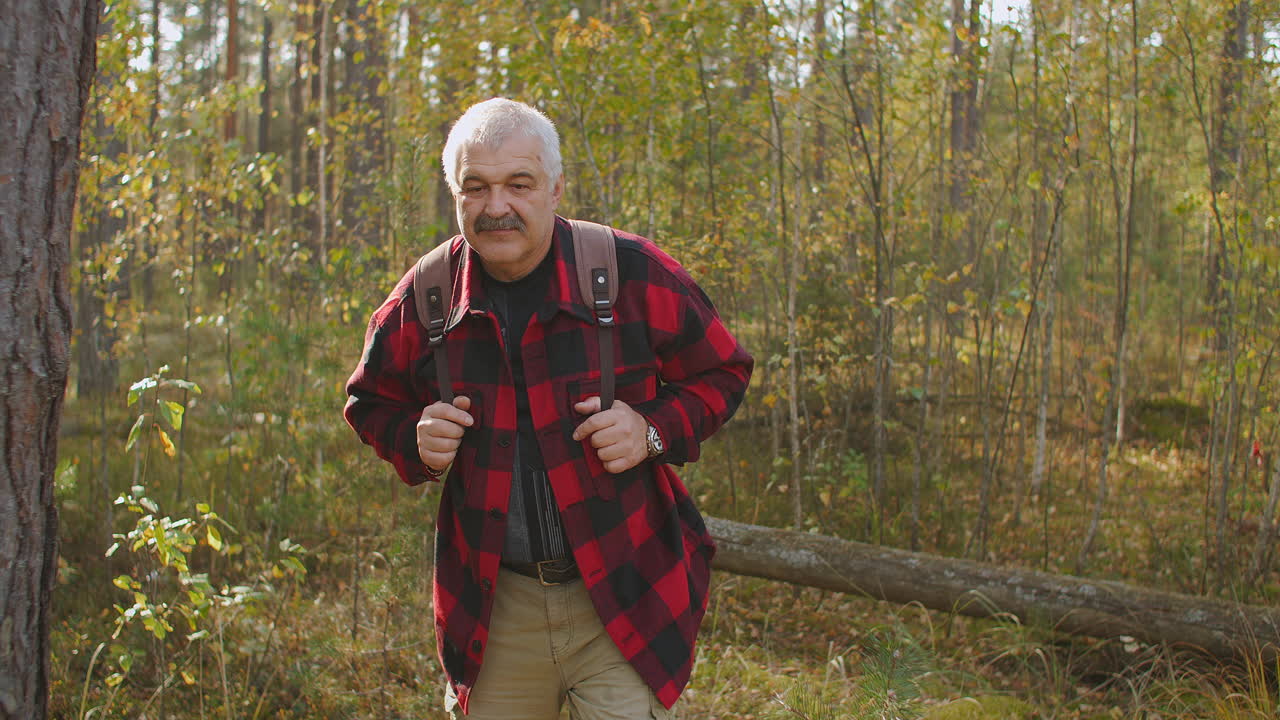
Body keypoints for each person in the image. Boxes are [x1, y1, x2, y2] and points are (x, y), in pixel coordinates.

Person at [343, 98, 752, 719]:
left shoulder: (627, 271)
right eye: (475, 187)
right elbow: (369, 399)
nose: (496, 206)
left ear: (556, 188)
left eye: (519, 184)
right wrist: (412, 439)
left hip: (624, 593)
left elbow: (723, 369)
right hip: (494, 606)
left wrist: (651, 431)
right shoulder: (428, 296)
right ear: (455, 194)